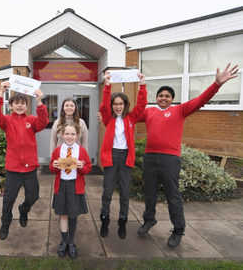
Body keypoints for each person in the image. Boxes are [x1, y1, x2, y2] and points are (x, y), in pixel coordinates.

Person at [137, 63, 239, 248]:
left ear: (172, 99)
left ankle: (178, 229)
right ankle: (149, 219)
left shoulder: (180, 110)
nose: (163, 98)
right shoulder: (149, 112)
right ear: (156, 98)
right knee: (150, 193)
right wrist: (110, 113)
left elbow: (200, 100)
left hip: (170, 159)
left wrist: (217, 84)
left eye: (167, 96)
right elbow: (132, 114)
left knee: (172, 195)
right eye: (160, 95)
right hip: (150, 157)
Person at [0, 81, 49, 240]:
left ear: (26, 106)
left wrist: (39, 102)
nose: (20, 105)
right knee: (8, 200)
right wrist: (1, 92)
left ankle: (24, 209)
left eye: (23, 103)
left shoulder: (31, 120)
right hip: (13, 169)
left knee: (33, 196)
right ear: (11, 106)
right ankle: (5, 224)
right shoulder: (7, 121)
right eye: (16, 103)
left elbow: (43, 122)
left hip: (29, 169)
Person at [99, 71, 147, 240]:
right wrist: (107, 85)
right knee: (107, 191)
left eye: (121, 104)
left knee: (125, 192)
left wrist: (142, 85)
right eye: (115, 104)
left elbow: (141, 105)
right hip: (111, 156)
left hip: (126, 156)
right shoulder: (107, 118)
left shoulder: (131, 118)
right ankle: (104, 219)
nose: (117, 106)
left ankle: (122, 221)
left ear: (125, 105)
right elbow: (103, 105)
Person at [49, 123, 92, 259]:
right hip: (62, 186)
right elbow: (51, 168)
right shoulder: (58, 150)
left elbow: (88, 168)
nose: (69, 136)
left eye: (73, 134)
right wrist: (54, 165)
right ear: (62, 135)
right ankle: (64, 242)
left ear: (77, 135)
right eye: (67, 133)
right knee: (63, 215)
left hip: (75, 186)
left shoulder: (81, 151)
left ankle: (72, 242)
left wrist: (81, 166)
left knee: (73, 215)